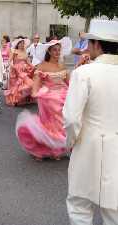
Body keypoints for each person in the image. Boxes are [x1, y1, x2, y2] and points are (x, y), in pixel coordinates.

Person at [63, 19, 118, 225]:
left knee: (80, 207)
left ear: (97, 44)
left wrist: (70, 142)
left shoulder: (84, 73)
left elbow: (70, 118)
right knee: (114, 210)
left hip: (87, 146)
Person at [16, 37, 72, 161]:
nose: (58, 52)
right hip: (48, 100)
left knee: (60, 125)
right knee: (49, 126)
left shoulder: (62, 65)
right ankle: (42, 148)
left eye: (59, 50)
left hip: (62, 98)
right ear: (49, 52)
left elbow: (70, 83)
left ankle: (57, 149)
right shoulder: (42, 66)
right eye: (55, 50)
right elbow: (36, 85)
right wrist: (38, 94)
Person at [4, 38, 34, 106]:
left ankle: (25, 97)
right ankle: (15, 100)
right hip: (16, 70)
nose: (22, 45)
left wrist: (33, 67)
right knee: (17, 85)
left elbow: (28, 62)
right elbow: (10, 60)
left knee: (28, 83)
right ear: (18, 44)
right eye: (20, 43)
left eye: (23, 43)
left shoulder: (25, 52)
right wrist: (8, 65)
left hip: (25, 69)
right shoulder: (14, 51)